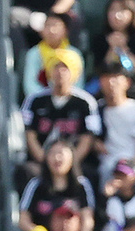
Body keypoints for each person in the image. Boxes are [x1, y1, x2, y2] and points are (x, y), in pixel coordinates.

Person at [19, 50, 99, 190]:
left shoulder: (85, 102)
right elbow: (29, 134)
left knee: (90, 174)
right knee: (25, 172)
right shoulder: (34, 100)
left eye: (65, 68)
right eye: (56, 67)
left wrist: (69, 162)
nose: (60, 72)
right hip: (41, 161)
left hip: (74, 162)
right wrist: (46, 161)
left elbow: (87, 138)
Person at [96, 62, 135, 181]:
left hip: (133, 164)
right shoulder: (97, 109)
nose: (111, 82)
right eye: (106, 78)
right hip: (108, 165)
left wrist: (130, 165)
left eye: (116, 77)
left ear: (127, 82)